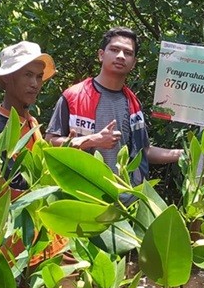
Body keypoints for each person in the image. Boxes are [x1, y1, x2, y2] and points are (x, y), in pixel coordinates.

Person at [45, 27, 181, 184]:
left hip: (127, 198)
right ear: (101, 55)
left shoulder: (133, 103)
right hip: (86, 194)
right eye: (115, 50)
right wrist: (92, 140)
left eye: (128, 53)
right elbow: (50, 142)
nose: (121, 56)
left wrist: (184, 154)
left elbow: (144, 151)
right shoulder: (73, 96)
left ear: (134, 63)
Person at [0, 40, 65, 260]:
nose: (35, 84)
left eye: (39, 77)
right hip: (18, 252)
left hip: (44, 242)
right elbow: (22, 188)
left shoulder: (30, 122)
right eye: (27, 75)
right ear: (8, 78)